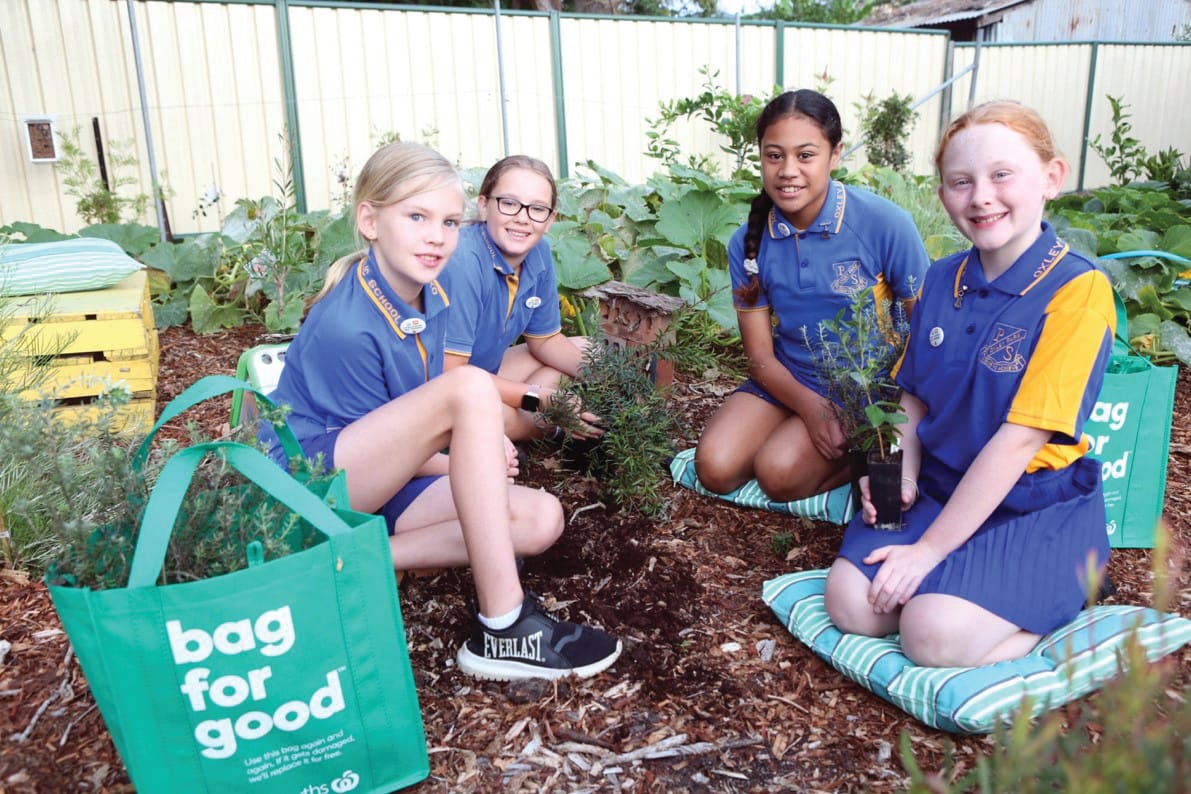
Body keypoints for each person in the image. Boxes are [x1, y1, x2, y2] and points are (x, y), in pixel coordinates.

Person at [262, 142, 621, 681]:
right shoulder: (348, 323)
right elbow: (390, 444)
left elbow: (414, 418)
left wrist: (472, 448)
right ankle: (503, 627)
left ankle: (347, 562)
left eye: (449, 222)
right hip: (313, 481)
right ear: (369, 220)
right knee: (471, 388)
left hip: (377, 472)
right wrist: (464, 458)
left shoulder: (428, 295)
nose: (436, 236)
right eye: (416, 216)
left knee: (541, 518)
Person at [824, 101, 1115, 667]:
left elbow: (1018, 442)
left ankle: (1068, 589)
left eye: (1002, 174)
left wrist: (927, 551)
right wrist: (901, 478)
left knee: (930, 636)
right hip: (942, 485)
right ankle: (961, 581)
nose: (981, 196)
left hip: (1030, 504)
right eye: (961, 182)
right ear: (943, 195)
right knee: (853, 606)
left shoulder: (1078, 292)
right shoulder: (941, 277)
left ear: (1051, 178)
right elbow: (911, 398)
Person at [694, 90, 930, 501]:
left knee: (777, 474)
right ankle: (808, 435)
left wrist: (888, 408)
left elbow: (925, 332)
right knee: (714, 466)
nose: (788, 170)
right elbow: (759, 356)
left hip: (866, 385)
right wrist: (810, 408)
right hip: (789, 378)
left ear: (835, 154)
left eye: (805, 155)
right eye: (774, 156)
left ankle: (864, 453)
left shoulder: (885, 223)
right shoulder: (747, 241)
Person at [439, 155, 600, 441]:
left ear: (550, 220)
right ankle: (543, 428)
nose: (522, 218)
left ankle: (529, 422)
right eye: (509, 203)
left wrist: (610, 379)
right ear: (484, 205)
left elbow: (545, 341)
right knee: (506, 413)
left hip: (484, 372)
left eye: (537, 208)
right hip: (438, 389)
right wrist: (538, 398)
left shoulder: (538, 253)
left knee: (591, 352)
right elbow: (453, 377)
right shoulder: (464, 261)